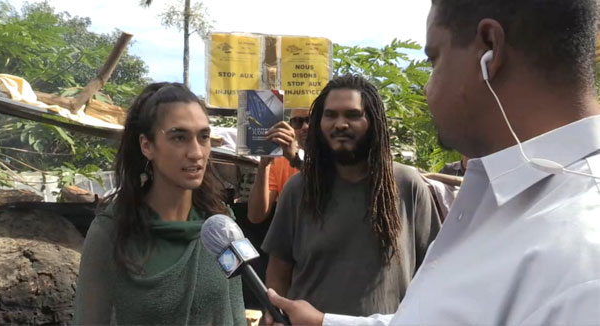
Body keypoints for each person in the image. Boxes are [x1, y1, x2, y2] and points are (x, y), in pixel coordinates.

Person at [266, 0, 600, 325]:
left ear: (490, 49)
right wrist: (322, 322)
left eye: (433, 59)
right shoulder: (503, 199)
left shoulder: (585, 258)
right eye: (330, 116)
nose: (426, 88)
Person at [262, 74, 441, 320]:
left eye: (353, 115)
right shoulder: (299, 189)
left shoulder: (407, 186)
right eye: (331, 115)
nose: (340, 124)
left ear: (374, 121)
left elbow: (435, 271)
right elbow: (279, 271)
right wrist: (275, 314)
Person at [74, 83, 246, 325]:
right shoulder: (110, 232)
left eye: (203, 136)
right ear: (147, 145)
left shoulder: (221, 225)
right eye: (179, 137)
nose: (196, 152)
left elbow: (236, 312)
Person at [247, 108, 309, 224]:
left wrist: (294, 159)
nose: (305, 127)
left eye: (311, 120)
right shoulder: (280, 160)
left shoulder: (336, 156)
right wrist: (264, 165)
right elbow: (255, 216)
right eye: (297, 122)